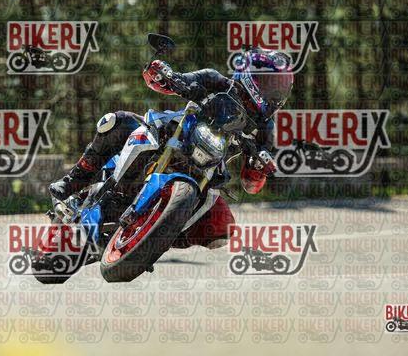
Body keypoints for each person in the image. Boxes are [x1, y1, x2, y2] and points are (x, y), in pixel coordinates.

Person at [49, 48, 294, 248]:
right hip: (175, 133)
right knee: (116, 121)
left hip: (209, 168)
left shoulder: (265, 126)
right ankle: (72, 182)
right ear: (251, 74)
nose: (273, 90)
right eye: (269, 82)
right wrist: (164, 75)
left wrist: (259, 167)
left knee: (223, 228)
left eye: (279, 86)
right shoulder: (217, 80)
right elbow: (174, 81)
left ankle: (156, 241)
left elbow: (252, 184)